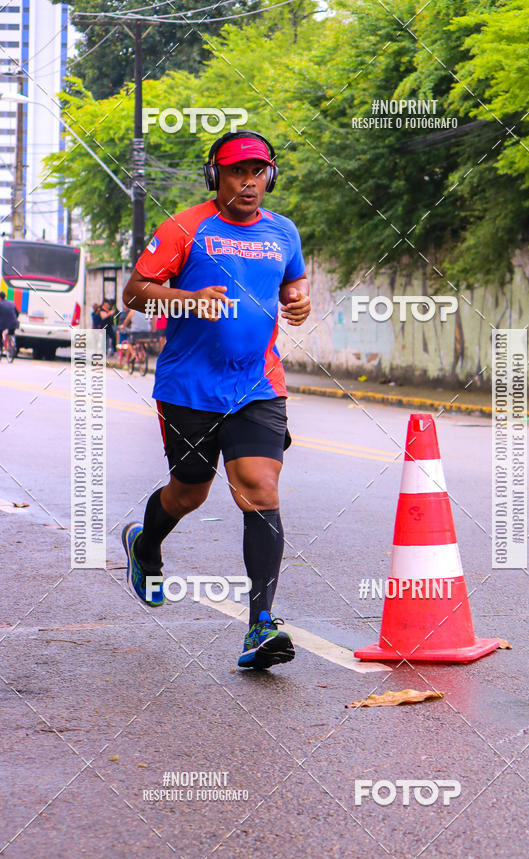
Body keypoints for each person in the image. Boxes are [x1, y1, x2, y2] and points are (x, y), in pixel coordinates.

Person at [121, 130, 310, 669]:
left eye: (258, 172)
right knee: (189, 494)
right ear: (216, 176)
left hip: (257, 385)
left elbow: (292, 287)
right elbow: (135, 292)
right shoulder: (186, 226)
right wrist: (187, 299)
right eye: (236, 172)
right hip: (190, 388)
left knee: (259, 489)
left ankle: (260, 626)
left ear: (269, 176)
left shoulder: (283, 232)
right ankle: (146, 544)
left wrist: (297, 302)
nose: (248, 183)